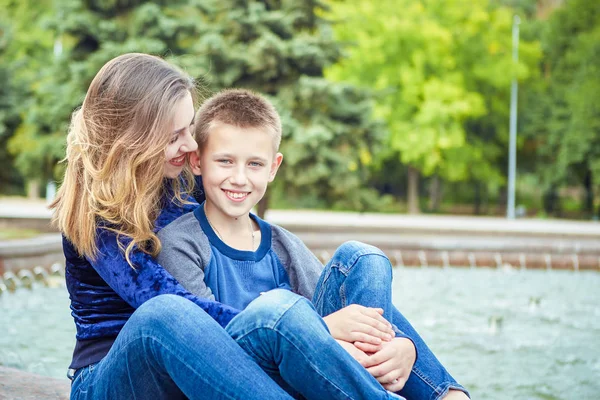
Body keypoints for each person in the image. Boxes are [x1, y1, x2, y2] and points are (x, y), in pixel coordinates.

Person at [156, 89, 470, 400]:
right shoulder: (181, 242)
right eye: (225, 161)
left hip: (318, 378)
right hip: (241, 379)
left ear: (273, 168)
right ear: (197, 162)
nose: (240, 178)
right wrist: (323, 328)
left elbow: (341, 317)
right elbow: (203, 343)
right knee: (279, 308)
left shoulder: (282, 244)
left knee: (362, 257)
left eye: (254, 164)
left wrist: (403, 348)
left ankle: (446, 395)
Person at [50, 53, 301, 400]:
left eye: (189, 127)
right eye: (174, 136)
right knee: (163, 314)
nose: (190, 144)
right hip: (113, 376)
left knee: (357, 260)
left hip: (197, 362)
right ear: (133, 139)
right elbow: (172, 302)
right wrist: (284, 329)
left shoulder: (181, 180)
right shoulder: (96, 214)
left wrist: (396, 343)